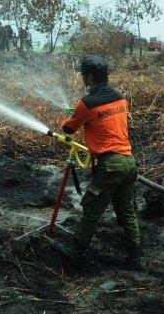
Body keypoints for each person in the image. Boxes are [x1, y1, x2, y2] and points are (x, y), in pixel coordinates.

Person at [59, 54, 143, 269]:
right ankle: (136, 258)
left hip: (110, 165)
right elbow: (105, 119)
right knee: (126, 211)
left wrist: (70, 116)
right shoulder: (120, 97)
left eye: (82, 76)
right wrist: (77, 113)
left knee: (91, 210)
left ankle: (75, 252)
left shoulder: (86, 103)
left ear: (88, 78)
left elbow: (68, 129)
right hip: (128, 162)